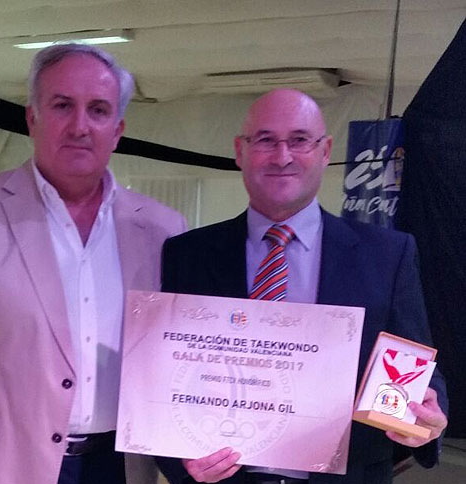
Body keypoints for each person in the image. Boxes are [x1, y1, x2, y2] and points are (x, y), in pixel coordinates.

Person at [0, 43, 186, 484]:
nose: (80, 126)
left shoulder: (163, 229)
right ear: (32, 117)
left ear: (117, 130)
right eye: (62, 105)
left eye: (98, 110)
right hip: (8, 465)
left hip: (123, 467)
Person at [157, 89, 447, 484]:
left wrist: (425, 420)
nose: (282, 156)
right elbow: (163, 378)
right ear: (240, 151)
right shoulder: (187, 254)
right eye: (265, 140)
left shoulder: (387, 255)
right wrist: (181, 463)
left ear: (325, 150)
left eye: (299, 140)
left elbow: (416, 369)